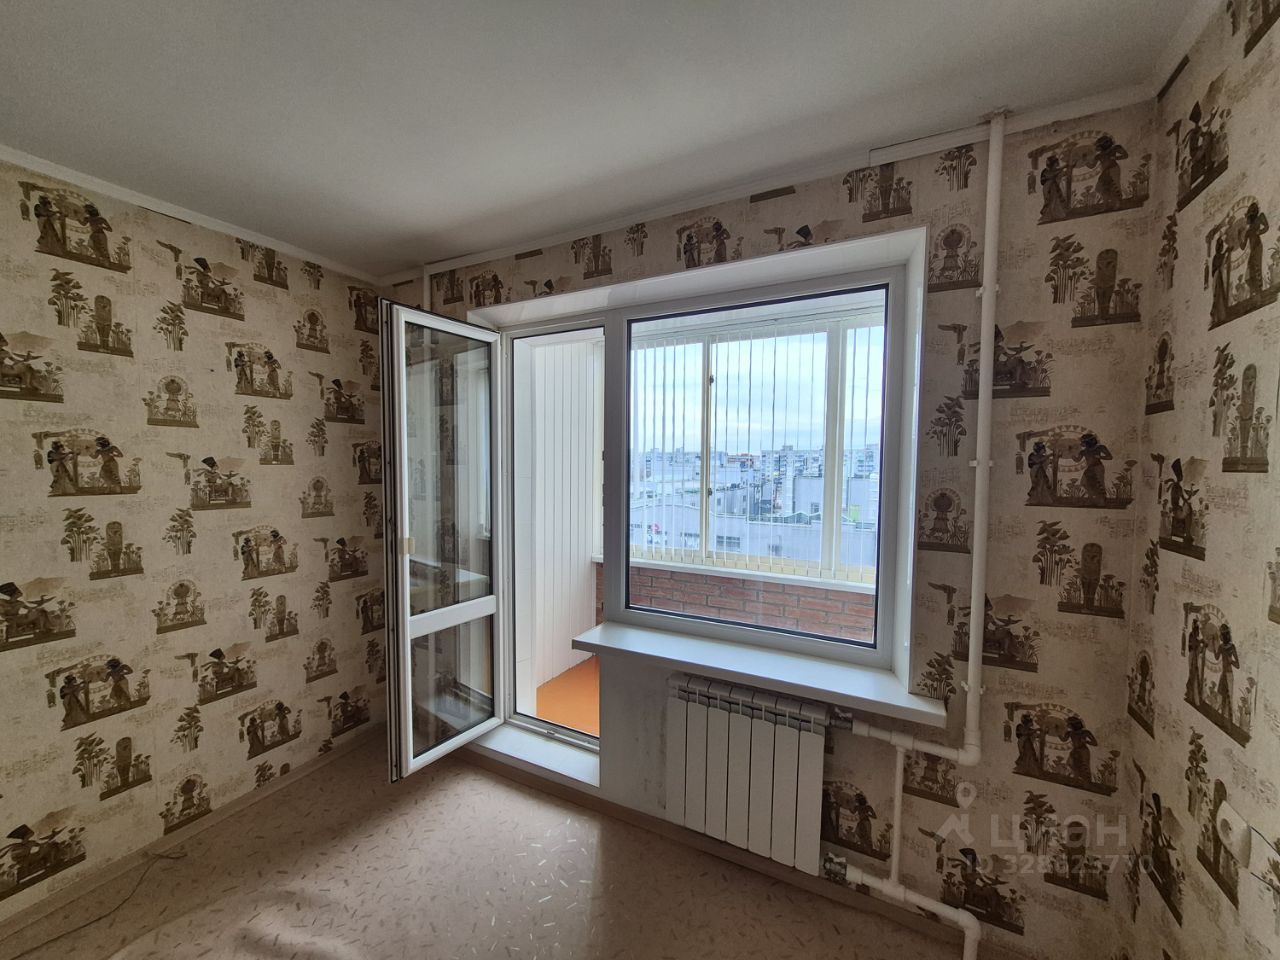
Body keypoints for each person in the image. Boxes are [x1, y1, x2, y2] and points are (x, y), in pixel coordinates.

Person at [1074, 432, 1112, 504]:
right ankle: (1092, 497)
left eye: (1083, 442)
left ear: (1088, 442)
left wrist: (1100, 457)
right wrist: (1072, 455)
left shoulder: (1100, 447)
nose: (1081, 444)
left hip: (1098, 467)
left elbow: (1110, 457)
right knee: (1084, 483)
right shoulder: (1083, 451)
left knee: (1100, 483)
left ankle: (1101, 500)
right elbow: (1077, 460)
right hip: (1090, 468)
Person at [1091, 135, 1128, 209]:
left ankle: (1117, 203)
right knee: (1101, 187)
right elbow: (1091, 166)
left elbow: (1125, 155)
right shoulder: (1099, 155)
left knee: (1114, 186)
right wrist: (1085, 161)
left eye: (1099, 146)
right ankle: (1106, 205)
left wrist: (1116, 157)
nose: (1098, 148)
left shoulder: (1114, 148)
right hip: (1105, 171)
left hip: (1113, 169)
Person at [1243, 201, 1270, 301]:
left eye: (1249, 216)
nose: (1248, 219)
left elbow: (1266, 226)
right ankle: (1255, 292)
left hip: (1258, 247)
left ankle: (1259, 293)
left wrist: (1259, 232)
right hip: (1253, 250)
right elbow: (1242, 246)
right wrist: (1239, 236)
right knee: (1248, 274)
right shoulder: (1248, 231)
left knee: (1257, 267)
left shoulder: (1259, 218)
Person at [1061, 715, 1097, 782]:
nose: (1067, 725)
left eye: (1068, 724)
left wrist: (1086, 741)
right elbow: (1063, 739)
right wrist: (1058, 733)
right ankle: (1075, 779)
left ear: (1073, 724)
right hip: (1075, 751)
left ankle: (1087, 782)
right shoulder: (1069, 733)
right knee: (1072, 764)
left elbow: (1095, 743)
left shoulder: (1085, 732)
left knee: (1084, 767)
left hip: (1083, 751)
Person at [1215, 624, 1240, 723]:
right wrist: (1214, 645)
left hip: (1229, 675)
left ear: (1225, 635)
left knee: (1228, 698)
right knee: (1220, 696)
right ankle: (1221, 719)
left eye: (1221, 634)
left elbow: (1237, 665)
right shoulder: (1221, 647)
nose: (1220, 636)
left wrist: (1231, 661)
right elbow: (1216, 657)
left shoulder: (1232, 647)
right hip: (1223, 674)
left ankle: (1227, 721)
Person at [1039, 155, 1069, 221]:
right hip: (1049, 188)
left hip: (1054, 187)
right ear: (1053, 164)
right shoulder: (1046, 171)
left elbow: (1061, 173)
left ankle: (1058, 214)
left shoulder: (1056, 170)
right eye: (1056, 163)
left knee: (1056, 201)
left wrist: (1069, 168)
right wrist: (1064, 167)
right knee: (1052, 201)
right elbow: (1053, 174)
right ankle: (1051, 215)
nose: (1057, 164)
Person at [1027, 440, 1055, 504]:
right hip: (1035, 471)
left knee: (1042, 486)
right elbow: (1038, 460)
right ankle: (1037, 499)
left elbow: (1048, 461)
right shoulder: (1032, 455)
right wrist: (1049, 455)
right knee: (1038, 485)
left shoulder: (1042, 456)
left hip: (1041, 471)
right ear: (1039, 450)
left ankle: (1042, 499)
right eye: (1043, 449)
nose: (1044, 451)